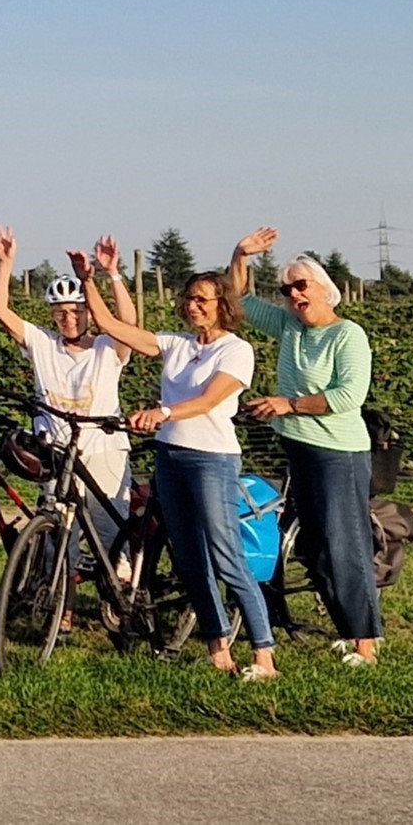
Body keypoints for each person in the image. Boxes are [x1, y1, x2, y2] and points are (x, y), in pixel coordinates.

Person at [92, 246, 276, 680]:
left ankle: (263, 654)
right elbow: (110, 326)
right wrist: (97, 278)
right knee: (190, 561)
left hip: (212, 460)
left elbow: (211, 400)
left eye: (202, 300)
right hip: (171, 458)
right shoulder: (178, 345)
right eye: (189, 299)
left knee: (226, 556)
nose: (192, 306)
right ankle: (218, 650)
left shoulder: (236, 351)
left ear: (222, 306)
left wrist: (163, 413)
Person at [230, 227, 379, 665]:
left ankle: (367, 644)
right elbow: (235, 299)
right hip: (298, 449)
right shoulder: (290, 326)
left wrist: (287, 404)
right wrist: (241, 255)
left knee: (342, 545)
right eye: (286, 289)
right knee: (313, 548)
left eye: (301, 286)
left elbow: (347, 396)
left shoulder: (348, 335)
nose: (294, 295)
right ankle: (347, 632)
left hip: (339, 455)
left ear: (325, 291)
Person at [0, 227, 132, 562]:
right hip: (56, 452)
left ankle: (118, 598)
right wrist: (6, 263)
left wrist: (112, 274)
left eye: (76, 311)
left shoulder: (107, 346)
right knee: (60, 532)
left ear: (88, 312)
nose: (68, 318)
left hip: (103, 451)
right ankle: (60, 609)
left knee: (109, 530)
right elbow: (0, 311)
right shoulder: (42, 343)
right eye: (60, 312)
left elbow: (129, 323)